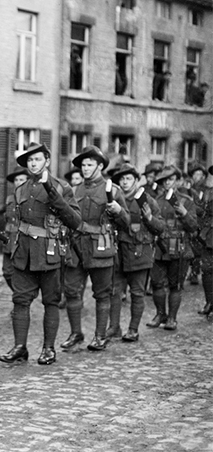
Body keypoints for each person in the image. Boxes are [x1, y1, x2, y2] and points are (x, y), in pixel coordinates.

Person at [0, 142, 82, 366]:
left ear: (47, 161)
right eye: (30, 160)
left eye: (37, 159)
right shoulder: (20, 189)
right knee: (20, 300)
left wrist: (55, 196)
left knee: (51, 302)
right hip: (24, 253)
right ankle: (20, 347)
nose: (33, 164)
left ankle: (48, 349)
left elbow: (75, 221)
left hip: (49, 253)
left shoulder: (61, 187)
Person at [61, 145, 130, 352]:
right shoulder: (74, 191)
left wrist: (118, 210)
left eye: (90, 165)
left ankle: (100, 336)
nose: (85, 168)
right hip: (76, 247)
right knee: (71, 291)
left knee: (102, 293)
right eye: (83, 165)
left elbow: (126, 223)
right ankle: (76, 333)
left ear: (100, 166)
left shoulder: (113, 190)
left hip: (100, 248)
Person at [107, 163, 165, 342]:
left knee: (137, 293)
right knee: (115, 291)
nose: (125, 182)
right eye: (122, 179)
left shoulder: (147, 200)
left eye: (128, 178)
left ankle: (133, 329)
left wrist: (149, 218)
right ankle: (114, 327)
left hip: (139, 252)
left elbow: (160, 227)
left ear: (136, 180)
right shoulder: (114, 199)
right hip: (118, 253)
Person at [146, 165, 198, 330]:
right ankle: (160, 314)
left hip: (180, 247)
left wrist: (184, 213)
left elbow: (193, 227)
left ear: (178, 181)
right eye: (164, 180)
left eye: (171, 179)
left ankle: (172, 318)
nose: (167, 183)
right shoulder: (156, 200)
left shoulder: (186, 201)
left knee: (175, 285)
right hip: (160, 247)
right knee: (156, 283)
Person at [1, 168, 28, 290]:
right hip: (9, 240)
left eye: (21, 180)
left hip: (23, 240)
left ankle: (21, 296)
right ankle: (18, 293)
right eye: (16, 180)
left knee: (22, 272)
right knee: (7, 272)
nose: (18, 182)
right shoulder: (10, 199)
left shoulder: (29, 199)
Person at [197, 165, 213, 316]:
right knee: (207, 271)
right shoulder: (208, 193)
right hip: (208, 238)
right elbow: (202, 213)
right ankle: (209, 302)